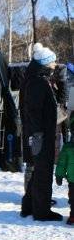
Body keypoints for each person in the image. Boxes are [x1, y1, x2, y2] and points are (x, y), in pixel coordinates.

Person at [20, 43, 62, 221]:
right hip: (41, 135)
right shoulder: (38, 81)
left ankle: (29, 206)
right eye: (52, 62)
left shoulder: (36, 79)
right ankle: (42, 211)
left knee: (37, 171)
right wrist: (38, 134)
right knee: (43, 172)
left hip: (39, 134)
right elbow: (34, 110)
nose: (55, 65)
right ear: (45, 63)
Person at [55, 139, 74, 225]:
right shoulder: (68, 147)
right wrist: (59, 175)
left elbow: (62, 162)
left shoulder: (68, 147)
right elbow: (62, 162)